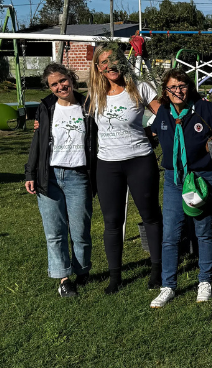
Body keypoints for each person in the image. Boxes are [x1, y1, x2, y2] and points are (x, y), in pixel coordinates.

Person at [147, 69, 212, 308]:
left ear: (189, 87)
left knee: (203, 230)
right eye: (173, 87)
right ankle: (168, 285)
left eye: (182, 86)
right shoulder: (164, 112)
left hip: (202, 178)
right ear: (165, 91)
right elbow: (153, 131)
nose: (178, 91)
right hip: (175, 179)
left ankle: (205, 280)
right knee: (171, 234)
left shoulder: (204, 109)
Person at [88, 42, 162, 294]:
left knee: (150, 215)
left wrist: (152, 131)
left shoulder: (140, 88)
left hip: (140, 160)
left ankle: (157, 269)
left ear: (123, 60)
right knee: (112, 221)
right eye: (104, 62)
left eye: (114, 59)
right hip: (108, 165)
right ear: (98, 68)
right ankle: (115, 276)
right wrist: (40, 120)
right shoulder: (94, 94)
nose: (110, 65)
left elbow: (165, 116)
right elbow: (66, 108)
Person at [25, 63, 95, 297]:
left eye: (63, 81)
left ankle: (82, 270)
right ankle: (63, 278)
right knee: (54, 232)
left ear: (71, 78)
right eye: (54, 84)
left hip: (79, 176)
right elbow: (38, 142)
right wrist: (30, 173)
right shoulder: (46, 107)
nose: (60, 87)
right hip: (50, 176)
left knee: (80, 231)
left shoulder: (88, 105)